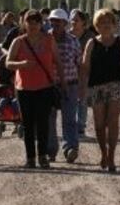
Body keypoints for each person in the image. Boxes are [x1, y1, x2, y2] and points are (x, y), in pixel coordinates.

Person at [6, 10, 63, 169]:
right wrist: (21, 64)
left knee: (43, 123)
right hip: (24, 89)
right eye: (29, 22)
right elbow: (8, 63)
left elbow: (58, 62)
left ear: (41, 24)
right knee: (28, 124)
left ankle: (43, 156)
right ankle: (30, 157)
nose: (32, 25)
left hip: (44, 87)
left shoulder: (49, 40)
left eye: (36, 22)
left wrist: (62, 82)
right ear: (24, 23)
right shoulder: (18, 41)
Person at [79, 8, 120, 173]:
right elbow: (85, 67)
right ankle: (103, 152)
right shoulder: (92, 43)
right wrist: (82, 88)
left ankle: (111, 156)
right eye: (102, 23)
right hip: (96, 87)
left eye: (109, 22)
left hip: (116, 85)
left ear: (114, 24)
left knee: (113, 121)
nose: (106, 25)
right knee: (99, 124)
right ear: (97, 25)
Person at [49, 9, 82, 163]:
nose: (54, 24)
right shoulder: (44, 39)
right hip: (49, 86)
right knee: (49, 119)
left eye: (58, 21)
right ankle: (50, 150)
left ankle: (70, 149)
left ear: (65, 24)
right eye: (52, 21)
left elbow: (79, 64)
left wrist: (82, 86)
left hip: (70, 85)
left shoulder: (73, 40)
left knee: (69, 119)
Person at [70, 10, 95, 137]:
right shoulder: (66, 35)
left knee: (82, 99)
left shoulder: (90, 36)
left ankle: (81, 125)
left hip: (85, 72)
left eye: (76, 20)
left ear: (83, 22)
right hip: (69, 71)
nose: (73, 22)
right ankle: (70, 124)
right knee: (70, 100)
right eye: (72, 19)